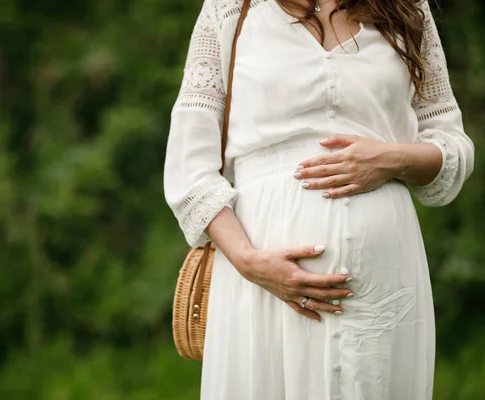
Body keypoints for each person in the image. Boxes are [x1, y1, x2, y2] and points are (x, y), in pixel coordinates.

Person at [163, 0, 475, 398]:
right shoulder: (230, 8)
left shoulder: (406, 6)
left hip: (385, 285)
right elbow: (190, 166)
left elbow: (453, 147)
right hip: (261, 284)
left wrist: (391, 158)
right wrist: (249, 261)